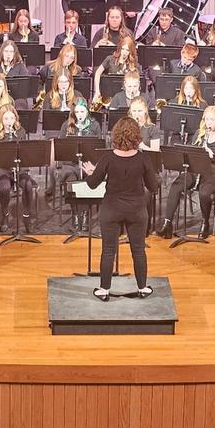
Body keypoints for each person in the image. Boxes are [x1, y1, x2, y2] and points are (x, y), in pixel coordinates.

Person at [82, 116, 159, 300]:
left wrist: (92, 172)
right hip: (137, 210)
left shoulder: (107, 158)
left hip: (111, 209)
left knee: (108, 250)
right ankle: (142, 288)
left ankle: (104, 290)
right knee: (138, 250)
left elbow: (92, 184)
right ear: (137, 136)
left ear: (115, 135)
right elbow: (154, 187)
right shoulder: (143, 158)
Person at [160, 105, 215, 239]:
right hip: (196, 169)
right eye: (207, 119)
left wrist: (212, 155)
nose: (209, 123)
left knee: (204, 193)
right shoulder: (199, 134)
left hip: (214, 172)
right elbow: (190, 153)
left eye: (212, 119)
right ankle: (167, 223)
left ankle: (205, 222)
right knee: (176, 185)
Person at [0, 104, 36, 233]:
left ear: (16, 119)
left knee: (28, 185)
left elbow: (24, 152)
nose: (9, 122)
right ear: (1, 120)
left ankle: (26, 216)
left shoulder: (20, 131)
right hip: (0, 168)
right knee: (5, 187)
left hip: (18, 167)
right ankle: (4, 214)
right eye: (6, 119)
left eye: (12, 118)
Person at [48, 97, 103, 207]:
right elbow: (60, 148)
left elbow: (99, 148)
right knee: (70, 181)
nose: (80, 115)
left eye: (82, 111)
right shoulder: (66, 125)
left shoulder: (95, 125)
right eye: (77, 112)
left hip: (88, 163)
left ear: (87, 111)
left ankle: (85, 211)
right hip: (70, 164)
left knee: (89, 181)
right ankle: (74, 211)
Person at [93, 36, 140, 101]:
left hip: (127, 96)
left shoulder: (133, 63)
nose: (124, 52)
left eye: (127, 50)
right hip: (110, 94)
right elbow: (98, 73)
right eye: (123, 49)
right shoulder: (110, 59)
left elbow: (137, 80)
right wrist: (97, 91)